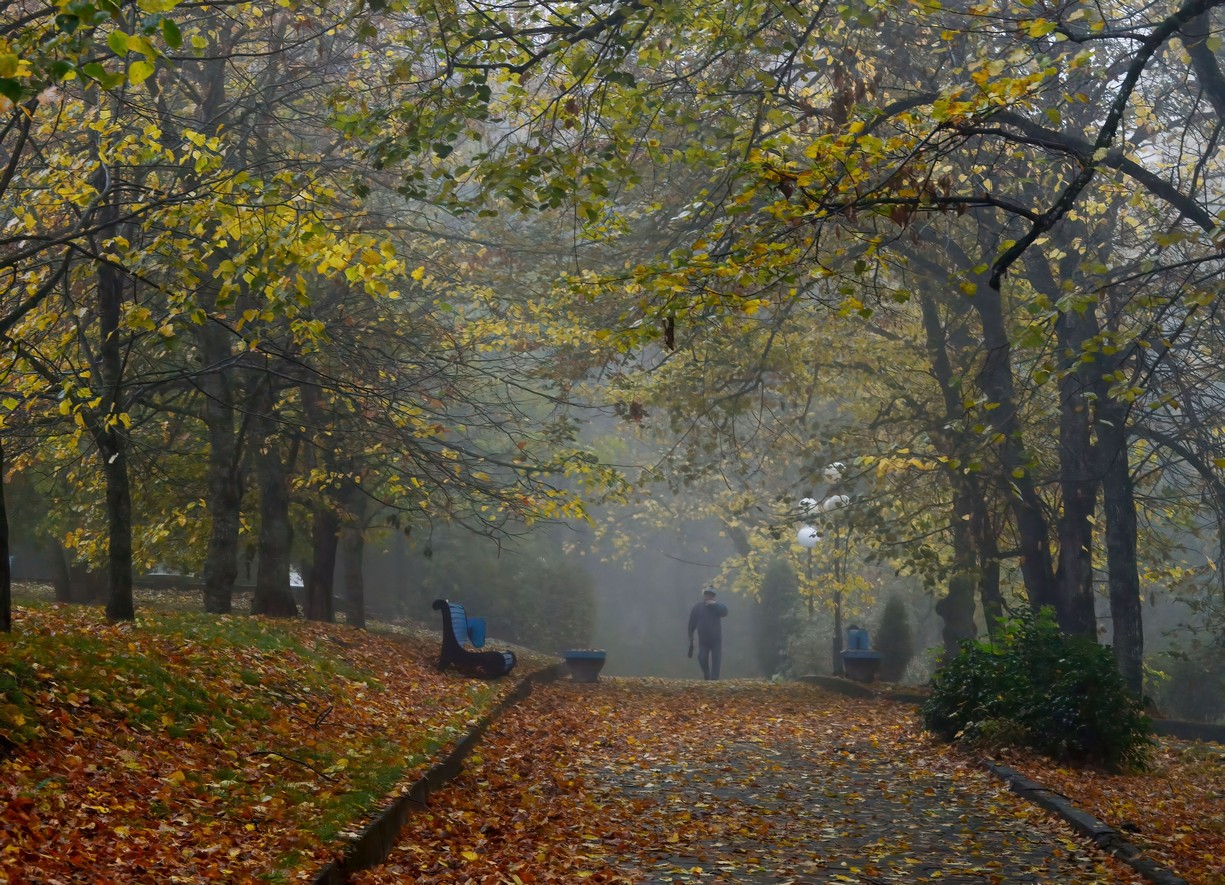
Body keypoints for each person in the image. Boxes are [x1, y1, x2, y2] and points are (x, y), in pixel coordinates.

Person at [688, 587, 729, 680]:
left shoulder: (717, 607)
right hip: (704, 641)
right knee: (701, 657)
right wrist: (691, 640)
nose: (708, 596)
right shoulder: (697, 608)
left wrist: (714, 604)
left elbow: (725, 612)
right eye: (706, 594)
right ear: (704, 595)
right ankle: (706, 674)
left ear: (713, 597)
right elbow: (691, 625)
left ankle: (714, 680)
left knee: (716, 660)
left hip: (716, 640)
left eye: (710, 595)